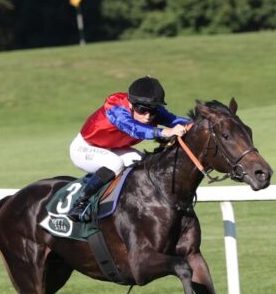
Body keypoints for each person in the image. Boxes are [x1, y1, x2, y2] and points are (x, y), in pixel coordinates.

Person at [67, 76, 191, 222]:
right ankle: (80, 203)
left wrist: (198, 124)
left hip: (114, 148)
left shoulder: (150, 111)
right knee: (114, 163)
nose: (148, 117)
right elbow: (134, 128)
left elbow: (173, 120)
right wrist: (165, 132)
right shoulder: (116, 108)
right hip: (85, 148)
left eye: (152, 111)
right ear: (132, 104)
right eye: (143, 110)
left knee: (143, 163)